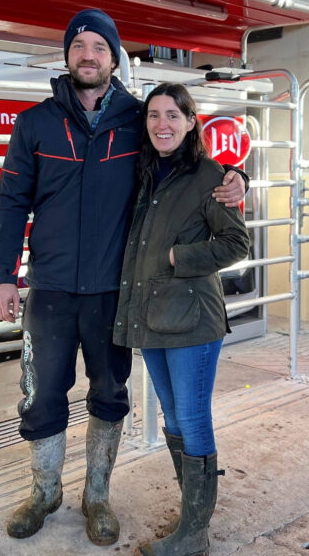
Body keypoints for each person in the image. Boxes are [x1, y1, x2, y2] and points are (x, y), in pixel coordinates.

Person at [0, 9, 248, 546]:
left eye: (99, 47)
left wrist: (237, 177)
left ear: (114, 57)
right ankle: (44, 492)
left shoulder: (136, 118)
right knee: (41, 395)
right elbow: (11, 203)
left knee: (110, 392)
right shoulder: (34, 123)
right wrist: (4, 276)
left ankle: (98, 495)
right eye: (79, 44)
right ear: (67, 55)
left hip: (116, 291)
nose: (88, 54)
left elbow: (186, 154)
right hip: (52, 288)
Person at [112, 82, 250, 556]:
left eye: (173, 115)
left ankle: (194, 534)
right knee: (173, 415)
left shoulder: (209, 174)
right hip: (152, 317)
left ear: (192, 122)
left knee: (191, 416)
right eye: (154, 115)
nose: (162, 124)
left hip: (191, 319)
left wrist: (177, 256)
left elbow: (236, 244)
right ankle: (192, 517)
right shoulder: (145, 172)